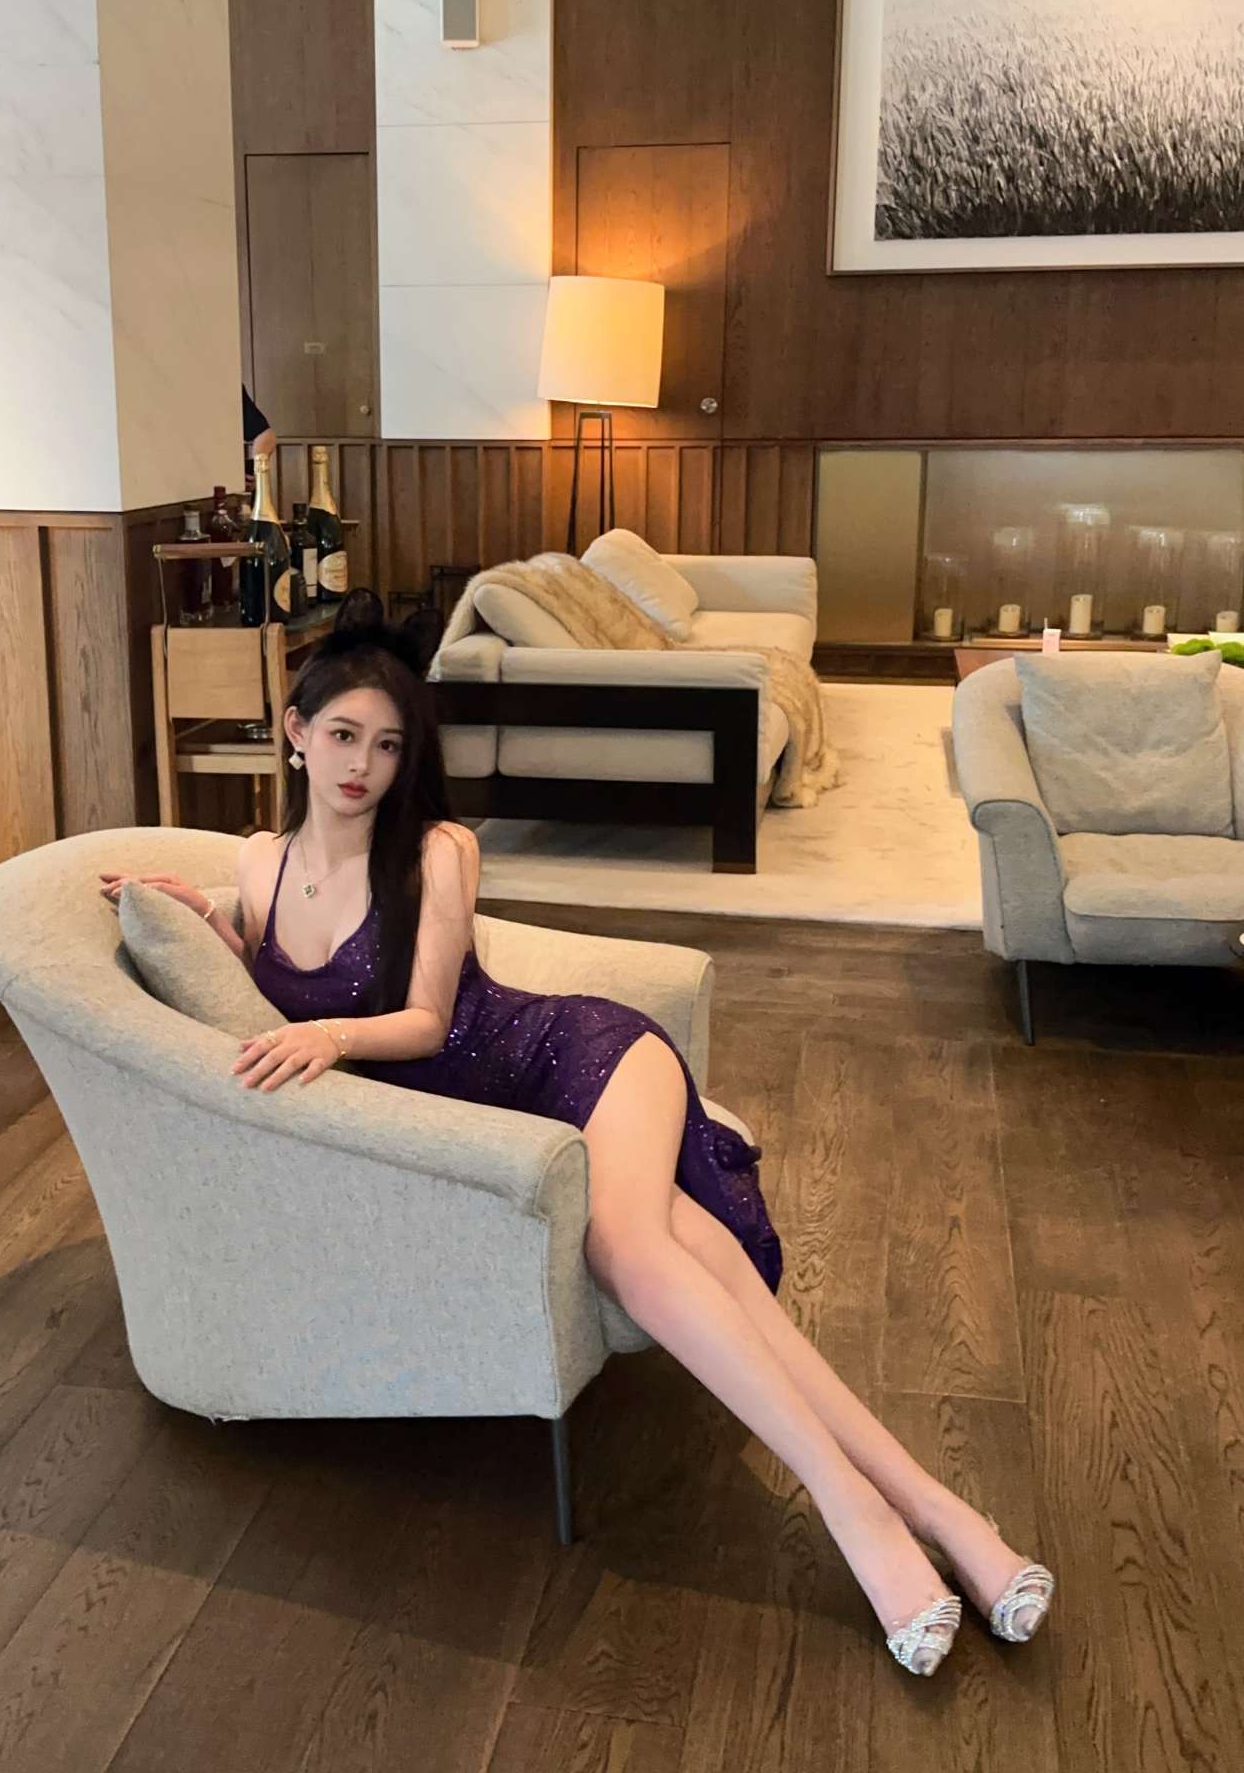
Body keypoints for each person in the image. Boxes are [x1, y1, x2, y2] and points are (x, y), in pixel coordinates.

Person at [100, 591, 1053, 1676]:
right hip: (514, 1127)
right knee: (720, 1281)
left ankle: (851, 1510)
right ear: (296, 731)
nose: (362, 764)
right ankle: (940, 1513)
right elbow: (267, 966)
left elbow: (423, 1021)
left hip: (578, 1062)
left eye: (389, 744)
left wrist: (328, 1035)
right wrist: (193, 918)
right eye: (344, 735)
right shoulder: (256, 866)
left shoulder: (437, 849)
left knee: (629, 1248)